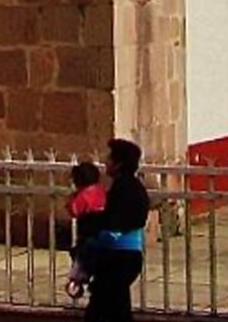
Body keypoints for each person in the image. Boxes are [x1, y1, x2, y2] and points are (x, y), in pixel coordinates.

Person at [85, 138, 150, 322]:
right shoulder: (133, 188)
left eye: (110, 158)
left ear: (119, 164)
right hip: (127, 256)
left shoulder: (124, 190)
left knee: (102, 309)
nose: (106, 162)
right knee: (117, 307)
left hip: (118, 257)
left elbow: (115, 224)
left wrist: (94, 239)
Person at [64, 160, 108, 298]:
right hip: (105, 234)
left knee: (80, 256)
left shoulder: (83, 195)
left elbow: (74, 211)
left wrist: (71, 199)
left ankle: (77, 278)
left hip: (88, 235)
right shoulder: (102, 191)